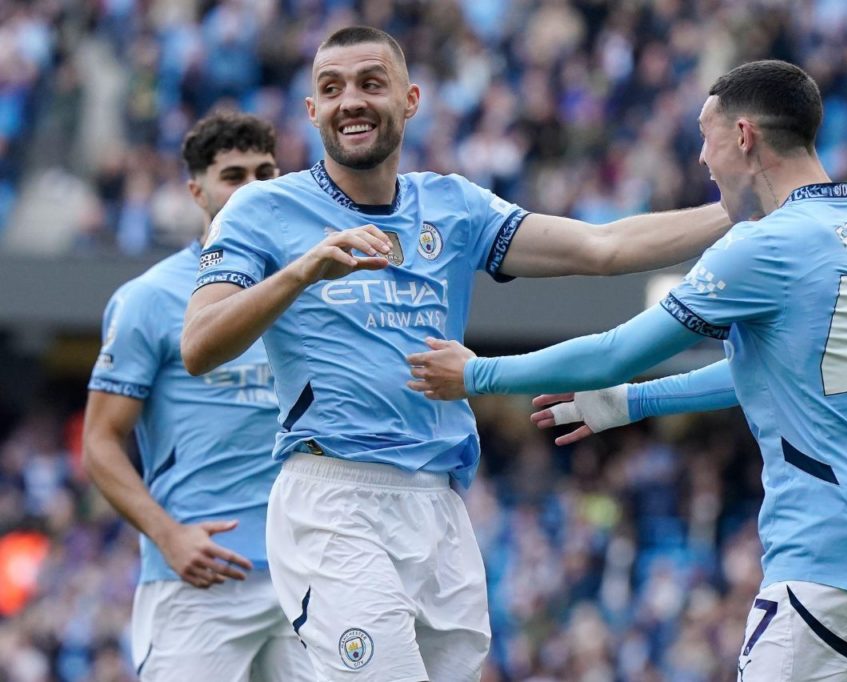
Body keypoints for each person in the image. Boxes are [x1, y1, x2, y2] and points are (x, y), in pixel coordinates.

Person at [180, 25, 731, 682]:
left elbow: (602, 248)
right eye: (331, 89)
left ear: (410, 100)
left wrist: (744, 212)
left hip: (438, 508)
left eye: (370, 83)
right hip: (332, 503)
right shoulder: (262, 210)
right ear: (311, 111)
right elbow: (199, 345)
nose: (349, 101)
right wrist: (301, 272)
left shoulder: (452, 205)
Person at [407, 60, 847, 682]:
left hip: (834, 541)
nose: (702, 157)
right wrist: (631, 404)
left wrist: (478, 375)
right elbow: (770, 375)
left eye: (706, 134)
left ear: (744, 136)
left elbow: (616, 351)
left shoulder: (763, 244)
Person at [82, 112, 314, 681]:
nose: (254, 188)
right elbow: (99, 442)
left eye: (266, 171)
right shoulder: (151, 298)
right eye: (234, 175)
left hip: (305, 570)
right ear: (196, 190)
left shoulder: (312, 285)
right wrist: (168, 536)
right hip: (199, 576)